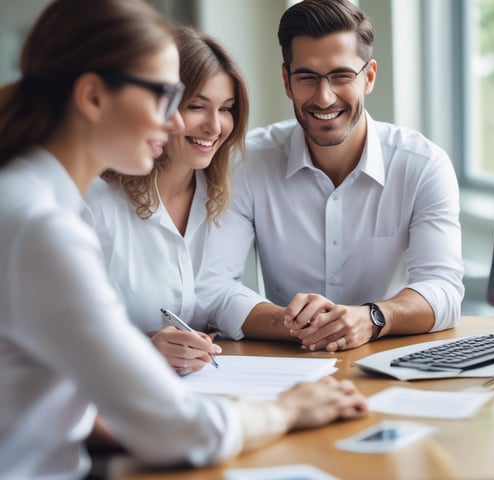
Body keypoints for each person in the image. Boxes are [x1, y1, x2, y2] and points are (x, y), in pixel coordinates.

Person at [0, 1, 368, 478]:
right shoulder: (43, 226)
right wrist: (287, 410)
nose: (174, 122)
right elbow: (177, 429)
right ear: (92, 97)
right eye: (163, 97)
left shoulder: (28, 198)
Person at [196, 0, 465, 353]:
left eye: (341, 76)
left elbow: (443, 289)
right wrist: (298, 326)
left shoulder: (423, 165)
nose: (324, 98)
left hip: (391, 360)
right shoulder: (247, 162)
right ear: (287, 81)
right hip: (291, 360)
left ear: (368, 77)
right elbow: (214, 288)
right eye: (307, 77)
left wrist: (371, 318)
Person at [84, 25, 248, 376]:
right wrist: (143, 346)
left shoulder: (219, 193)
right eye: (196, 106)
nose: (214, 126)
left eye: (226, 109)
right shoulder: (95, 200)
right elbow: (59, 332)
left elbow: (217, 295)